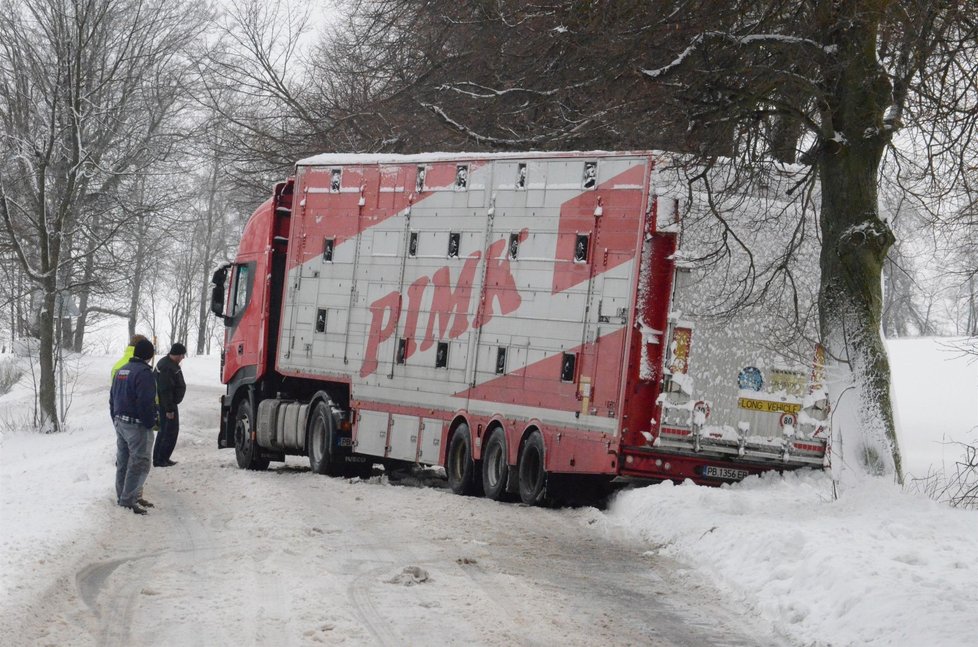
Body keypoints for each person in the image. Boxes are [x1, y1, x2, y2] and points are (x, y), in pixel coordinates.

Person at [110, 339, 158, 515]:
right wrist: (150, 422)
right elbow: (145, 401)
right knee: (140, 463)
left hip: (120, 422)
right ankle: (128, 500)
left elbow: (112, 397)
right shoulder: (144, 373)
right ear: (149, 355)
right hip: (136, 425)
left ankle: (122, 495)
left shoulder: (122, 370)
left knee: (123, 461)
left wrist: (114, 418)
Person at [153, 342, 187, 468]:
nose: (183, 358)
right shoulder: (167, 367)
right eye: (182, 355)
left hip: (167, 404)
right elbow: (165, 390)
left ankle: (161, 458)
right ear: (178, 354)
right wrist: (169, 409)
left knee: (165, 432)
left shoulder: (168, 363)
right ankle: (161, 459)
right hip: (166, 406)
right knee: (169, 432)